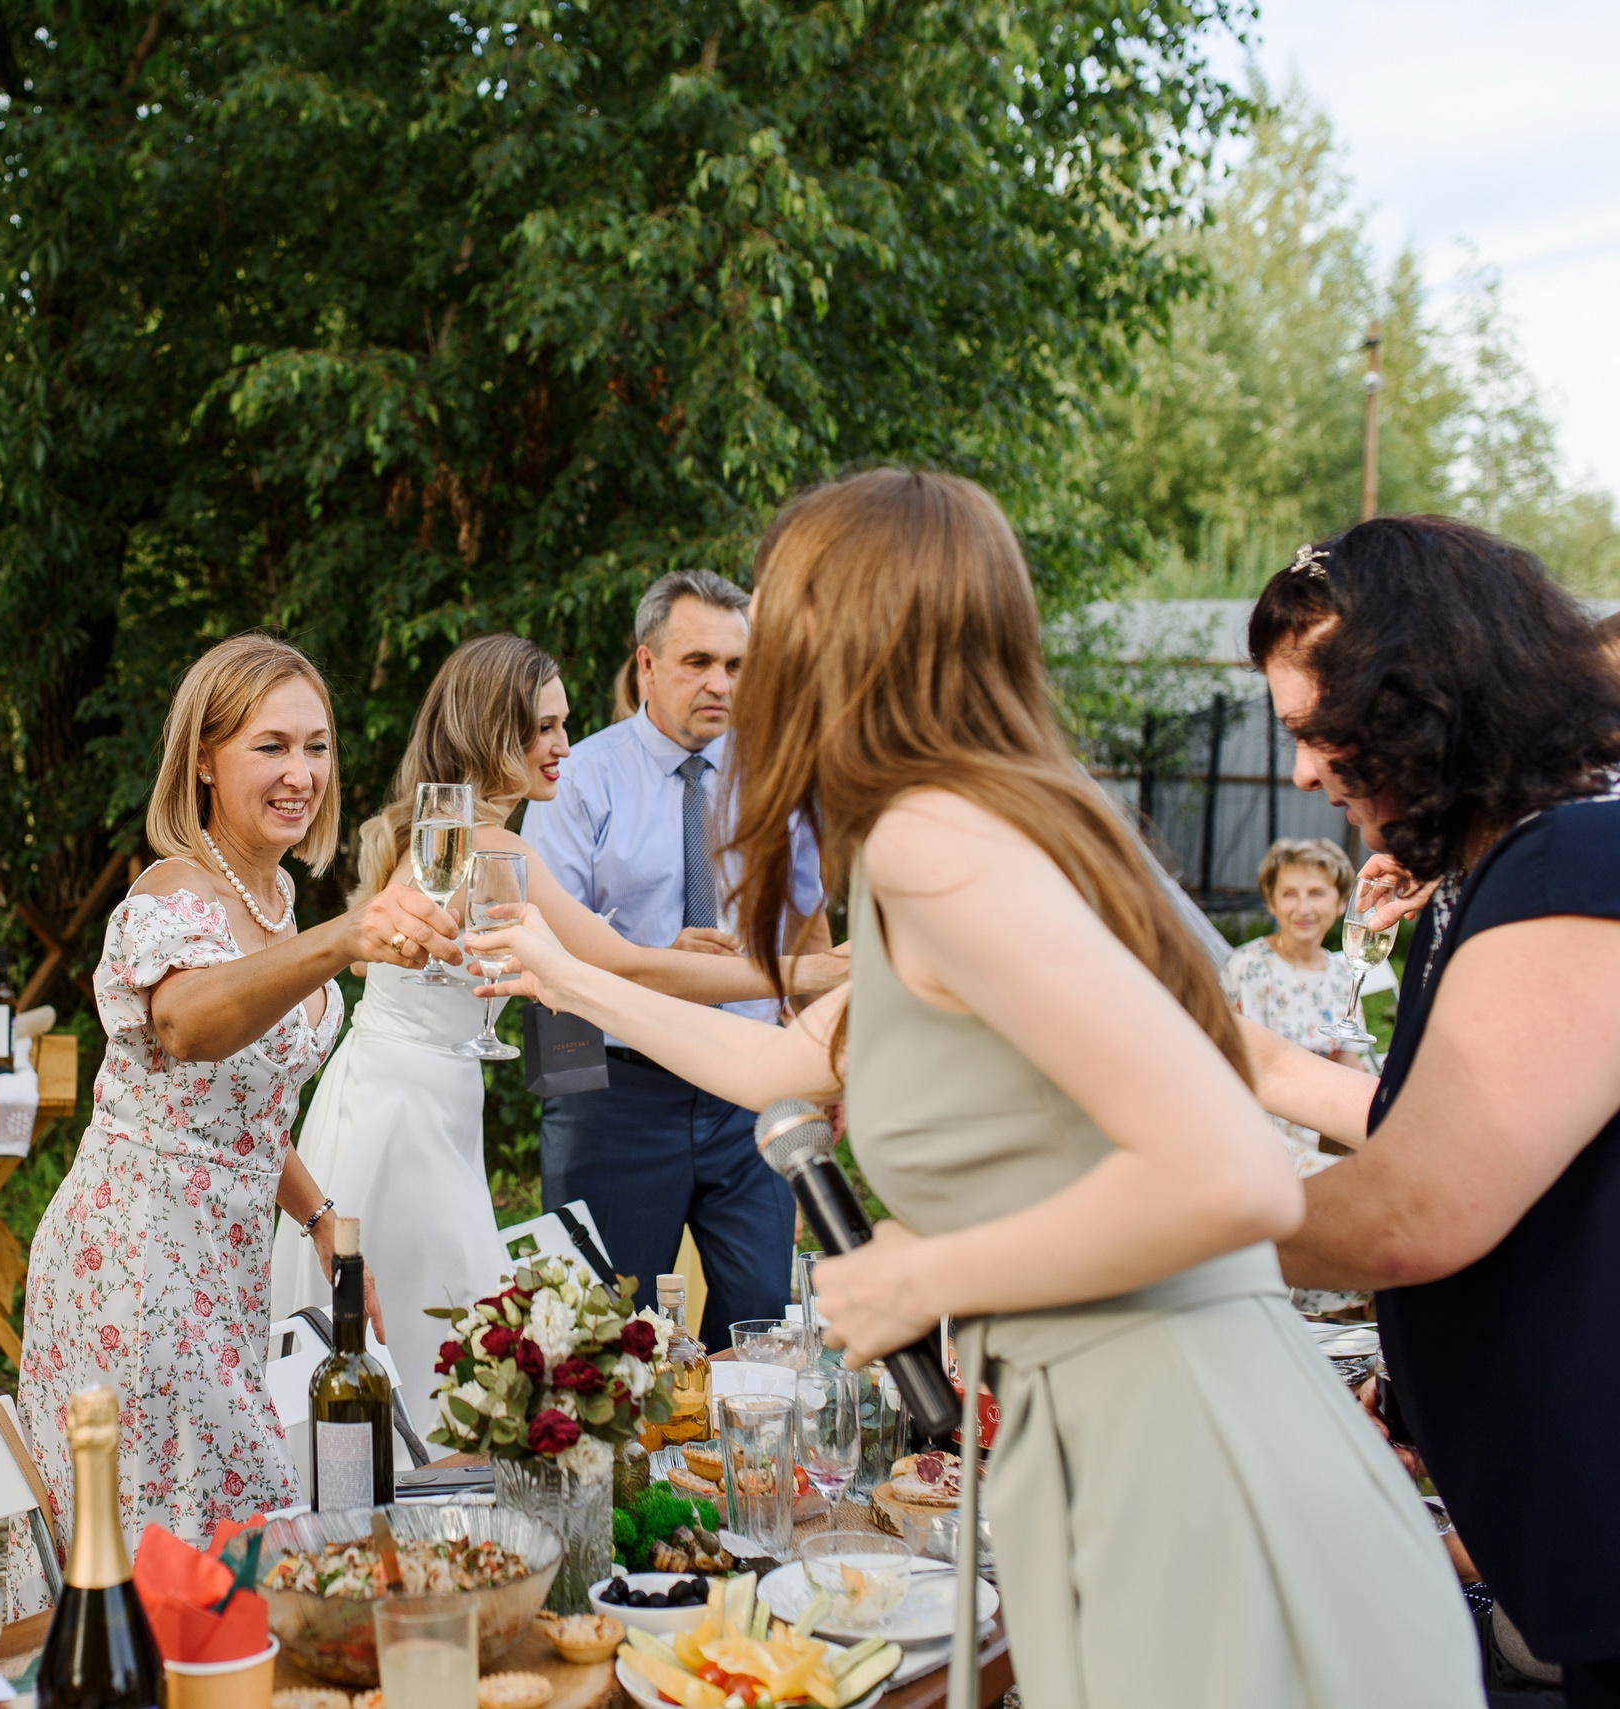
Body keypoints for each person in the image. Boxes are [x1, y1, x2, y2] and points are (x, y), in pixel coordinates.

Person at [474, 470, 1478, 1709]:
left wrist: (923, 1273)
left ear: (839, 633)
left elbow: (1229, 1164)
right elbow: (779, 1060)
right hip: (1112, 1449)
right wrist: (561, 973)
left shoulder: (936, 843)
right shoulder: (969, 830)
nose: (755, 668)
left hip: (1184, 1466)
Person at [267, 633, 843, 1435]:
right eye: (543, 728)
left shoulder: (428, 831)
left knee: (404, 1331)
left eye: (565, 725)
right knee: (442, 1324)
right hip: (412, 1124)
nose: (563, 747)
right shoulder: (493, 845)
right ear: (489, 729)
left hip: (381, 1097)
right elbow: (626, 973)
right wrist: (805, 975)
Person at [1243, 518, 1620, 1703]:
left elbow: (1420, 1201)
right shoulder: (1496, 875)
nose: (1301, 772)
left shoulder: (1575, 867)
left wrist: (1130, 1231)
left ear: (1424, 701)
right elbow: (1469, 1139)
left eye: (1314, 732)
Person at [12, 634, 461, 1607]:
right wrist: (348, 936)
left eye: (317, 745)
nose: (300, 772)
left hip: (220, 1265)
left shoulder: (277, 895)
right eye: (270, 746)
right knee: (176, 1532)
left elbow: (249, 1107)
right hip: (132, 1263)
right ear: (205, 759)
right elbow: (185, 1026)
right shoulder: (170, 893)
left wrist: (326, 1226)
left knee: (220, 1521)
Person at [528, 569, 835, 1343]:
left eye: (735, 665)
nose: (721, 683)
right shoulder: (577, 780)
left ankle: (741, 1466)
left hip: (751, 1091)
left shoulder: (779, 780)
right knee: (602, 1329)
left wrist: (823, 1057)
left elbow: (810, 926)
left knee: (763, 1319)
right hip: (613, 1087)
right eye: (698, 661)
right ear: (647, 665)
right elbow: (548, 946)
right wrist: (655, 960)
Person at [1219, 836, 1367, 1173]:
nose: (1303, 908)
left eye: (1316, 893)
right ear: (1271, 904)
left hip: (1325, 1125)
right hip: (1257, 1128)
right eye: (1289, 894)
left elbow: (1347, 1068)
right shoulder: (1248, 967)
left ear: (1341, 901)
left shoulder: (1346, 974)